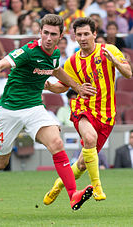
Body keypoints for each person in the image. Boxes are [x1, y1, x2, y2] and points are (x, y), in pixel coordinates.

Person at [0, 14, 97, 210]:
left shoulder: (53, 55)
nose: (48, 38)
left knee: (57, 143)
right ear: (40, 32)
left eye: (53, 34)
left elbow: (57, 70)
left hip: (34, 107)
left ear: (61, 36)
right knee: (0, 162)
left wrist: (77, 88)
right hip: (9, 110)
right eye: (45, 33)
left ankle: (73, 195)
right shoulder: (28, 51)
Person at [43, 17, 132, 206]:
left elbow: (128, 73)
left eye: (86, 34)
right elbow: (63, 85)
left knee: (83, 164)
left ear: (94, 34)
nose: (83, 38)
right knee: (89, 138)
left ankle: (59, 185)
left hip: (107, 115)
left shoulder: (108, 50)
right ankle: (97, 186)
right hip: (83, 108)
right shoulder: (73, 61)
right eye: (79, 35)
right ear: (74, 37)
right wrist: (49, 86)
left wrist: (114, 61)